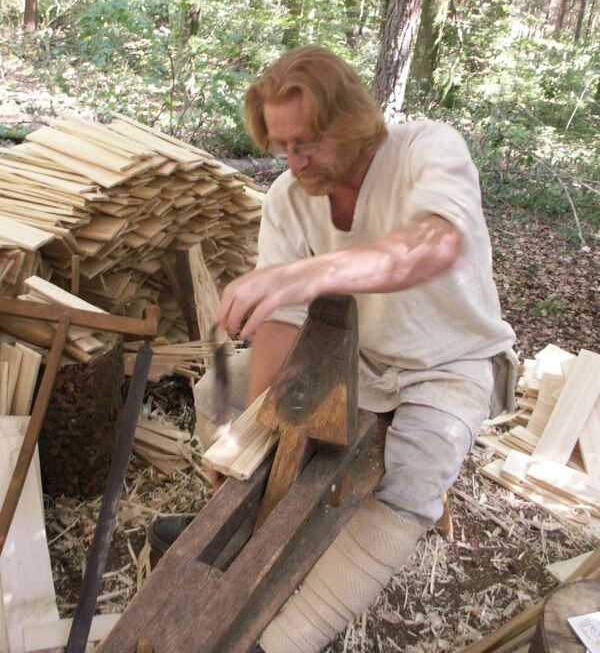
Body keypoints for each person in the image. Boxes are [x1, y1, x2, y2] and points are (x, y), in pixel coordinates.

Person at [152, 46, 517, 653]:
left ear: (352, 119)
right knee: (223, 392)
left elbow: (436, 243)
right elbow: (284, 324)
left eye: (310, 143)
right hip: (347, 355)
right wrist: (251, 435)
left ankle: (290, 637)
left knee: (412, 471)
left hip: (447, 361)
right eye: (282, 146)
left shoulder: (427, 149)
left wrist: (306, 274)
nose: (294, 162)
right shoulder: (288, 199)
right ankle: (250, 534)